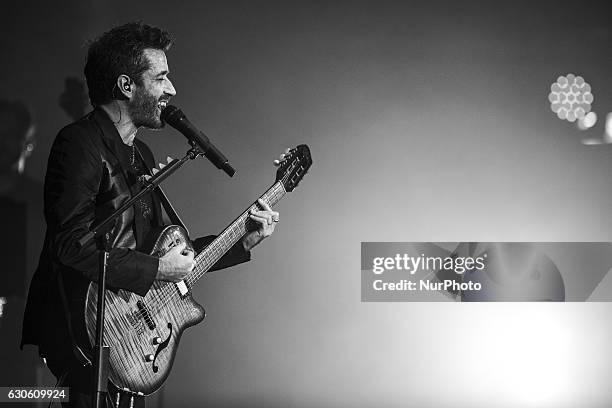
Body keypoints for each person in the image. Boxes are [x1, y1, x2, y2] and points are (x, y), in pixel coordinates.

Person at [21, 22, 279, 408]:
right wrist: (158, 270)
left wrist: (243, 240)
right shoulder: (79, 144)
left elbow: (168, 256)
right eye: (160, 78)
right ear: (127, 86)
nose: (171, 90)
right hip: (87, 339)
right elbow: (71, 246)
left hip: (131, 342)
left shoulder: (139, 153)